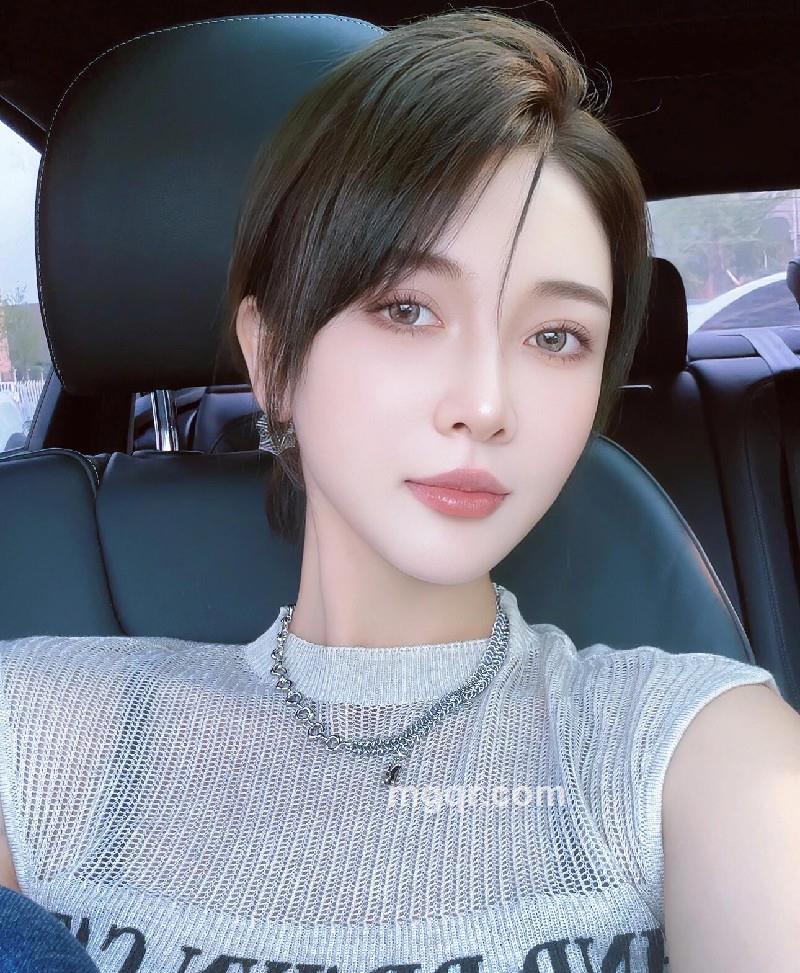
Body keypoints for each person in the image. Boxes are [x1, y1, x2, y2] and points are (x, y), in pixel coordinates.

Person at [1, 8, 798, 973]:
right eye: (408, 309)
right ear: (272, 358)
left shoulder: (695, 747)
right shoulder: (37, 725)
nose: (486, 405)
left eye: (556, 337)